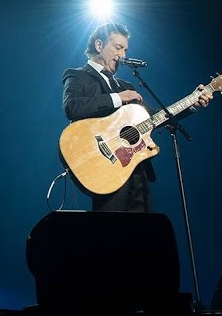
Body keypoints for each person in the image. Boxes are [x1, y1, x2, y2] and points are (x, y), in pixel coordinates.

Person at [62, 22, 212, 212]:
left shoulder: (127, 86)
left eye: (125, 50)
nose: (123, 55)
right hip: (105, 170)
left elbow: (155, 118)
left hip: (137, 169)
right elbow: (72, 107)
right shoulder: (77, 76)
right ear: (99, 45)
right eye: (118, 48)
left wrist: (192, 103)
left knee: (142, 236)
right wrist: (117, 98)